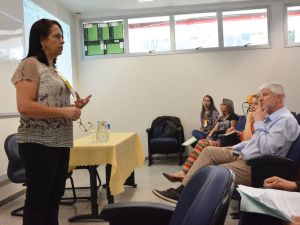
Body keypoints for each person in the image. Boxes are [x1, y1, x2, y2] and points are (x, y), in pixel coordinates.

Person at [153, 82, 300, 204]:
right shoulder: (271, 118)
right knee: (209, 150)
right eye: (260, 95)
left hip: (257, 166)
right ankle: (182, 190)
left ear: (279, 97)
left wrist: (259, 121)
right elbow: (253, 142)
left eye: (265, 95)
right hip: (244, 155)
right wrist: (234, 147)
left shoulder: (285, 120)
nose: (261, 99)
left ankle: (189, 198)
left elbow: (267, 149)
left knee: (214, 171)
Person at [11, 19, 91, 225]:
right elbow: (25, 106)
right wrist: (64, 112)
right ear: (41, 40)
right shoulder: (30, 64)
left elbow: (52, 107)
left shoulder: (52, 69)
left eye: (62, 36)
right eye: (57, 36)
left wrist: (74, 108)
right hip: (39, 143)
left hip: (59, 142)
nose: (62, 41)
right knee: (38, 201)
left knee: (54, 198)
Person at [163, 98, 239, 182]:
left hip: (220, 137)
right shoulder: (208, 114)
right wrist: (206, 131)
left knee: (198, 139)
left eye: (208, 101)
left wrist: (208, 131)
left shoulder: (215, 113)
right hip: (210, 134)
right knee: (193, 137)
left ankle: (185, 170)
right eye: (204, 100)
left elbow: (225, 128)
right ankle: (186, 153)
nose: (206, 102)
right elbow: (207, 127)